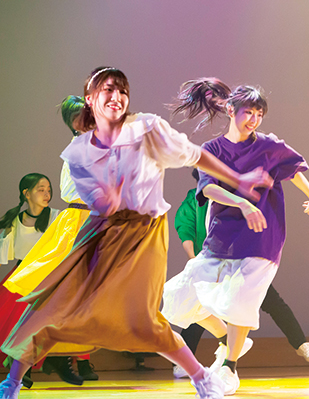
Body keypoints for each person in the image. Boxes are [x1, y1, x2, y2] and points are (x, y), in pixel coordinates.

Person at [0, 66, 273, 399]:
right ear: (90, 102)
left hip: (144, 235)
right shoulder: (79, 152)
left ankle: (202, 378)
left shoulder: (147, 127)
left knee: (143, 318)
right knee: (52, 304)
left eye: (122, 91)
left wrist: (238, 179)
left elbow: (194, 155)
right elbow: (100, 201)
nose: (116, 97)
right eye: (107, 91)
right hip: (100, 233)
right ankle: (11, 382)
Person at [162, 77, 309, 395]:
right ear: (231, 110)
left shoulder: (268, 145)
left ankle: (230, 367)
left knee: (242, 298)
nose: (254, 119)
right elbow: (208, 189)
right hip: (222, 237)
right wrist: (242, 203)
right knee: (177, 298)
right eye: (249, 112)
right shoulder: (212, 150)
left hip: (262, 237)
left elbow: (292, 168)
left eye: (259, 114)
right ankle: (227, 339)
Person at [171, 170, 309, 379]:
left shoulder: (235, 195)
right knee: (197, 304)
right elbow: (185, 227)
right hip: (210, 261)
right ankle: (189, 360)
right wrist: (194, 259)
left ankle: (300, 343)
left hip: (240, 262)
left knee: (270, 302)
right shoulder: (195, 199)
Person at [1, 96, 98, 388]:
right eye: (85, 117)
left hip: (94, 220)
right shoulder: (77, 149)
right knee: (53, 292)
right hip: (79, 221)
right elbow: (72, 190)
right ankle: (29, 362)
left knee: (79, 295)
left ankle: (56, 355)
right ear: (75, 123)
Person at [0, 173, 60, 388]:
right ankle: (16, 365)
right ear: (26, 193)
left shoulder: (57, 217)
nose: (46, 194)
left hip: (46, 276)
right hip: (22, 274)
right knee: (12, 319)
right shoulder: (15, 220)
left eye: (49, 190)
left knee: (38, 322)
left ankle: (28, 365)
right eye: (41, 189)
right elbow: (4, 253)